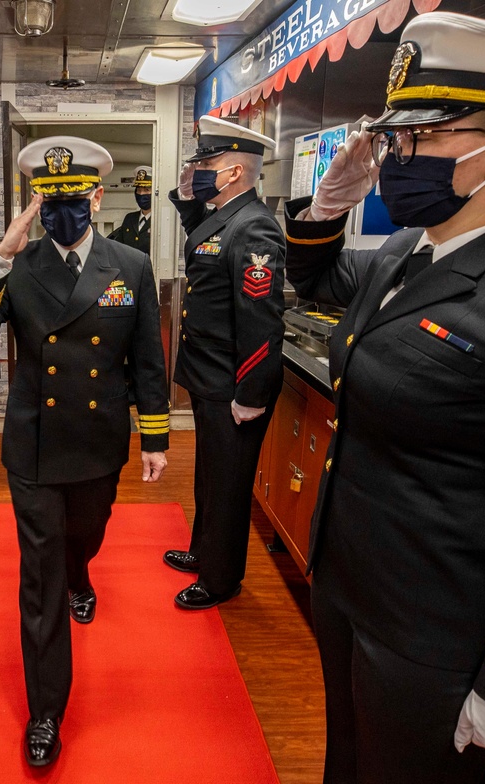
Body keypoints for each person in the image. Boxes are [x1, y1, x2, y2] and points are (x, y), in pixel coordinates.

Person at [282, 12, 485, 783]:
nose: (397, 155)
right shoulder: (406, 252)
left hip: (434, 632)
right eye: (396, 138)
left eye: (421, 137)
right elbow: (323, 286)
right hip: (351, 588)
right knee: (348, 765)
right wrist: (327, 210)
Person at [0, 136, 170, 767]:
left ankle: (83, 570)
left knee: (87, 534)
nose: (63, 214)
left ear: (97, 198)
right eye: (51, 202)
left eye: (74, 200)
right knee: (40, 576)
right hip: (37, 446)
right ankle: (46, 710)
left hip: (100, 440)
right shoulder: (17, 264)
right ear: (37, 205)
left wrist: (154, 434)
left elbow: (148, 361)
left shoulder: (129, 266)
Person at [162, 116, 288, 610]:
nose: (196, 170)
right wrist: (185, 195)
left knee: (230, 484)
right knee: (211, 475)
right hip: (209, 375)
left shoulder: (255, 226)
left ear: (234, 172)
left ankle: (220, 579)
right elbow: (205, 242)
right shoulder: (228, 216)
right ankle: (203, 550)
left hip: (234, 382)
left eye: (206, 163)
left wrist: (251, 394)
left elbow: (261, 321)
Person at [107, 164, 153, 253]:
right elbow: (119, 245)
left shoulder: (159, 221)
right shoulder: (130, 218)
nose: (141, 194)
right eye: (139, 190)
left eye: (146, 190)